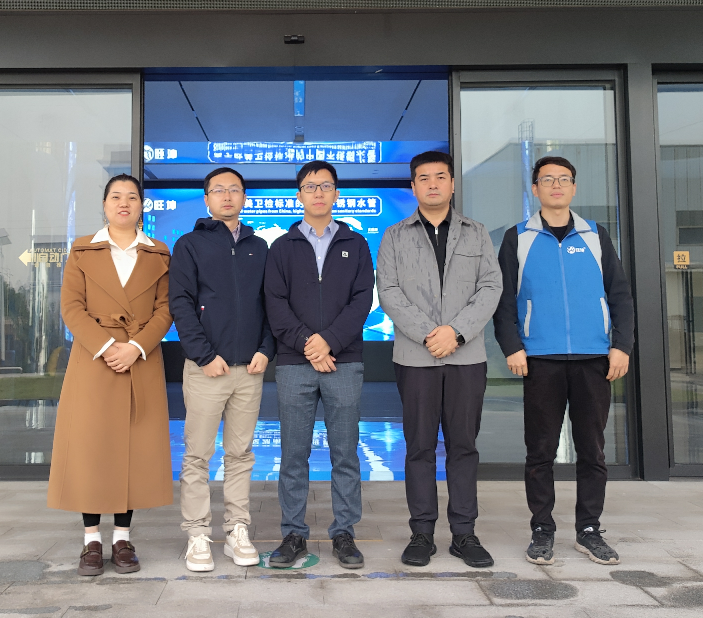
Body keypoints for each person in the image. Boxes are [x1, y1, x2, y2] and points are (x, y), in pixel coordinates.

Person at [492, 155, 634, 567]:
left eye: (564, 179)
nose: (556, 185)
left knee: (592, 449)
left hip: (594, 357)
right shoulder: (517, 238)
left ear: (574, 187)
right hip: (540, 359)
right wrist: (512, 346)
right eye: (547, 179)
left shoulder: (596, 236)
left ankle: (589, 529)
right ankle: (542, 529)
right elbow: (503, 300)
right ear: (534, 188)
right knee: (540, 450)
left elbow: (620, 295)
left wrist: (621, 346)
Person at [377, 151, 503, 568]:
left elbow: (491, 287)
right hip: (415, 357)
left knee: (463, 446)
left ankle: (464, 534)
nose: (432, 184)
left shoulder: (476, 233)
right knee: (419, 447)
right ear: (413, 186)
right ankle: (422, 533)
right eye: (423, 178)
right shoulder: (394, 236)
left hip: (466, 357)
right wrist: (431, 335)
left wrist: (457, 332)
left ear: (451, 184)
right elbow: (389, 291)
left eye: (440, 177)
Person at [47, 173, 174, 577]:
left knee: (132, 449)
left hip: (140, 359)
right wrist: (106, 347)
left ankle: (122, 538)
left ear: (141, 207)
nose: (124, 203)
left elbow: (166, 309)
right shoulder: (83, 249)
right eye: (116, 197)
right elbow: (71, 307)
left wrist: (135, 347)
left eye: (132, 197)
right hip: (94, 360)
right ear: (104, 205)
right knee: (91, 448)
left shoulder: (158, 254)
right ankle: (91, 541)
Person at [263, 160, 374, 569]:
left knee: (345, 452)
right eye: (310, 187)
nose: (318, 193)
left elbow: (362, 300)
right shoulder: (282, 246)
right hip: (294, 364)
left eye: (325, 186)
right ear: (299, 195)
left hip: (345, 362)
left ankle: (344, 533)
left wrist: (330, 341)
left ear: (336, 194)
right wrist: (310, 344)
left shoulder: (356, 243)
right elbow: (275, 303)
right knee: (294, 454)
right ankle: (293, 533)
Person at [168, 167, 275, 572]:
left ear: (244, 197)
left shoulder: (259, 247)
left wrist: (266, 349)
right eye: (218, 190)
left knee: (240, 454)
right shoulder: (189, 244)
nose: (227, 196)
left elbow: (271, 303)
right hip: (206, 369)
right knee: (197, 454)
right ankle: (197, 533)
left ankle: (236, 530)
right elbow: (180, 302)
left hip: (250, 370)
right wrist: (203, 355)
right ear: (207, 199)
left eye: (234, 190)